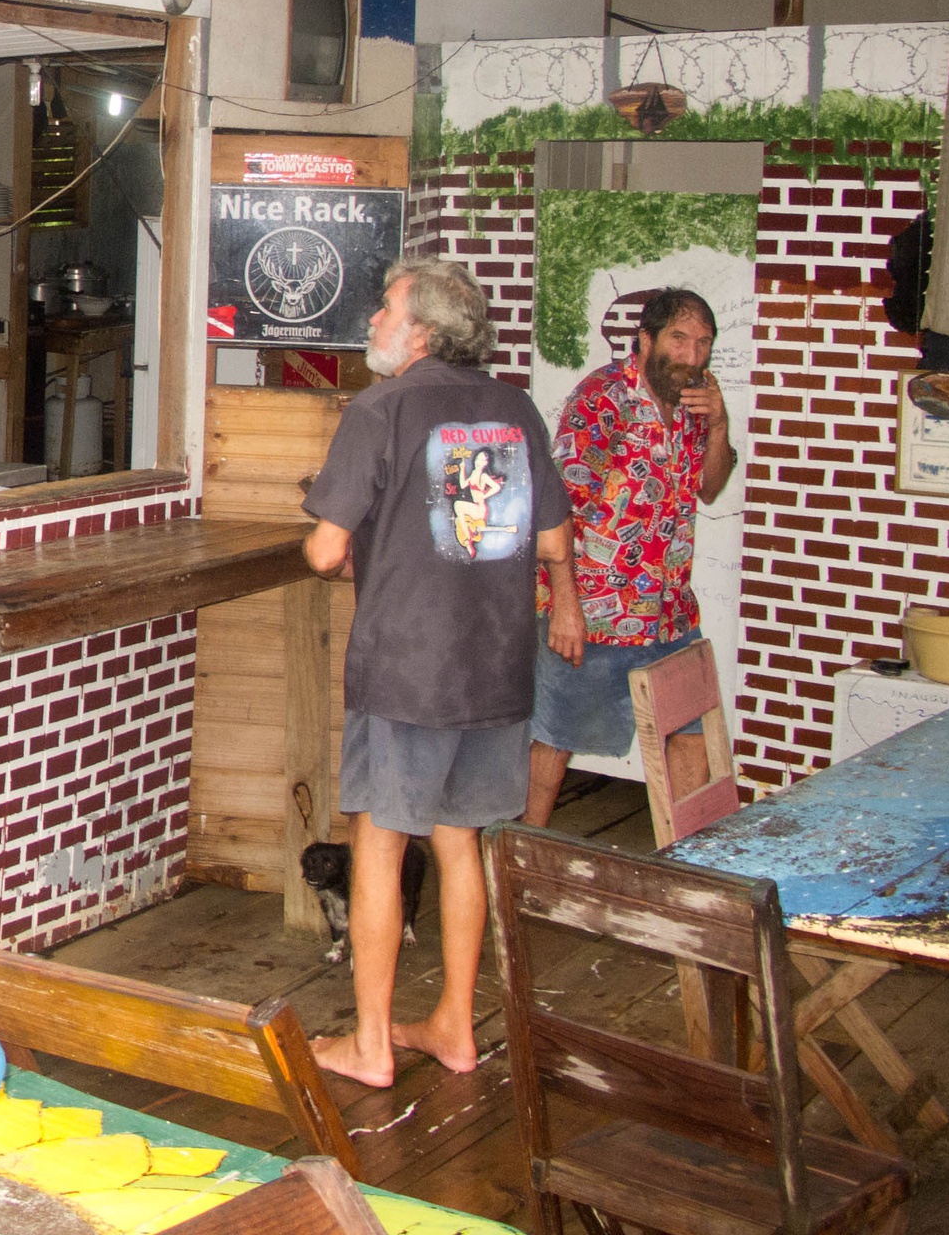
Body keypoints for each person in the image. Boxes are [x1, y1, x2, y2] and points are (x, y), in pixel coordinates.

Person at [300, 259, 576, 1088]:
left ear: (420, 330)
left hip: (408, 668)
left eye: (386, 308)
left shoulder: (379, 408)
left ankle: (372, 1044)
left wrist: (336, 528)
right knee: (461, 843)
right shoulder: (516, 409)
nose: (373, 321)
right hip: (497, 667)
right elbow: (553, 539)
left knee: (380, 844)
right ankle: (455, 1024)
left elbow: (324, 552)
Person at [524, 289, 737, 826]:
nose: (692, 355)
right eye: (679, 339)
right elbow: (557, 508)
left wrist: (719, 426)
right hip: (594, 610)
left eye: (703, 343)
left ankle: (688, 858)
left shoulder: (695, 400)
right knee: (554, 740)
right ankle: (517, 852)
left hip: (670, 611)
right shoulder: (602, 399)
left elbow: (710, 487)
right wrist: (565, 606)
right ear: (645, 339)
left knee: (690, 733)